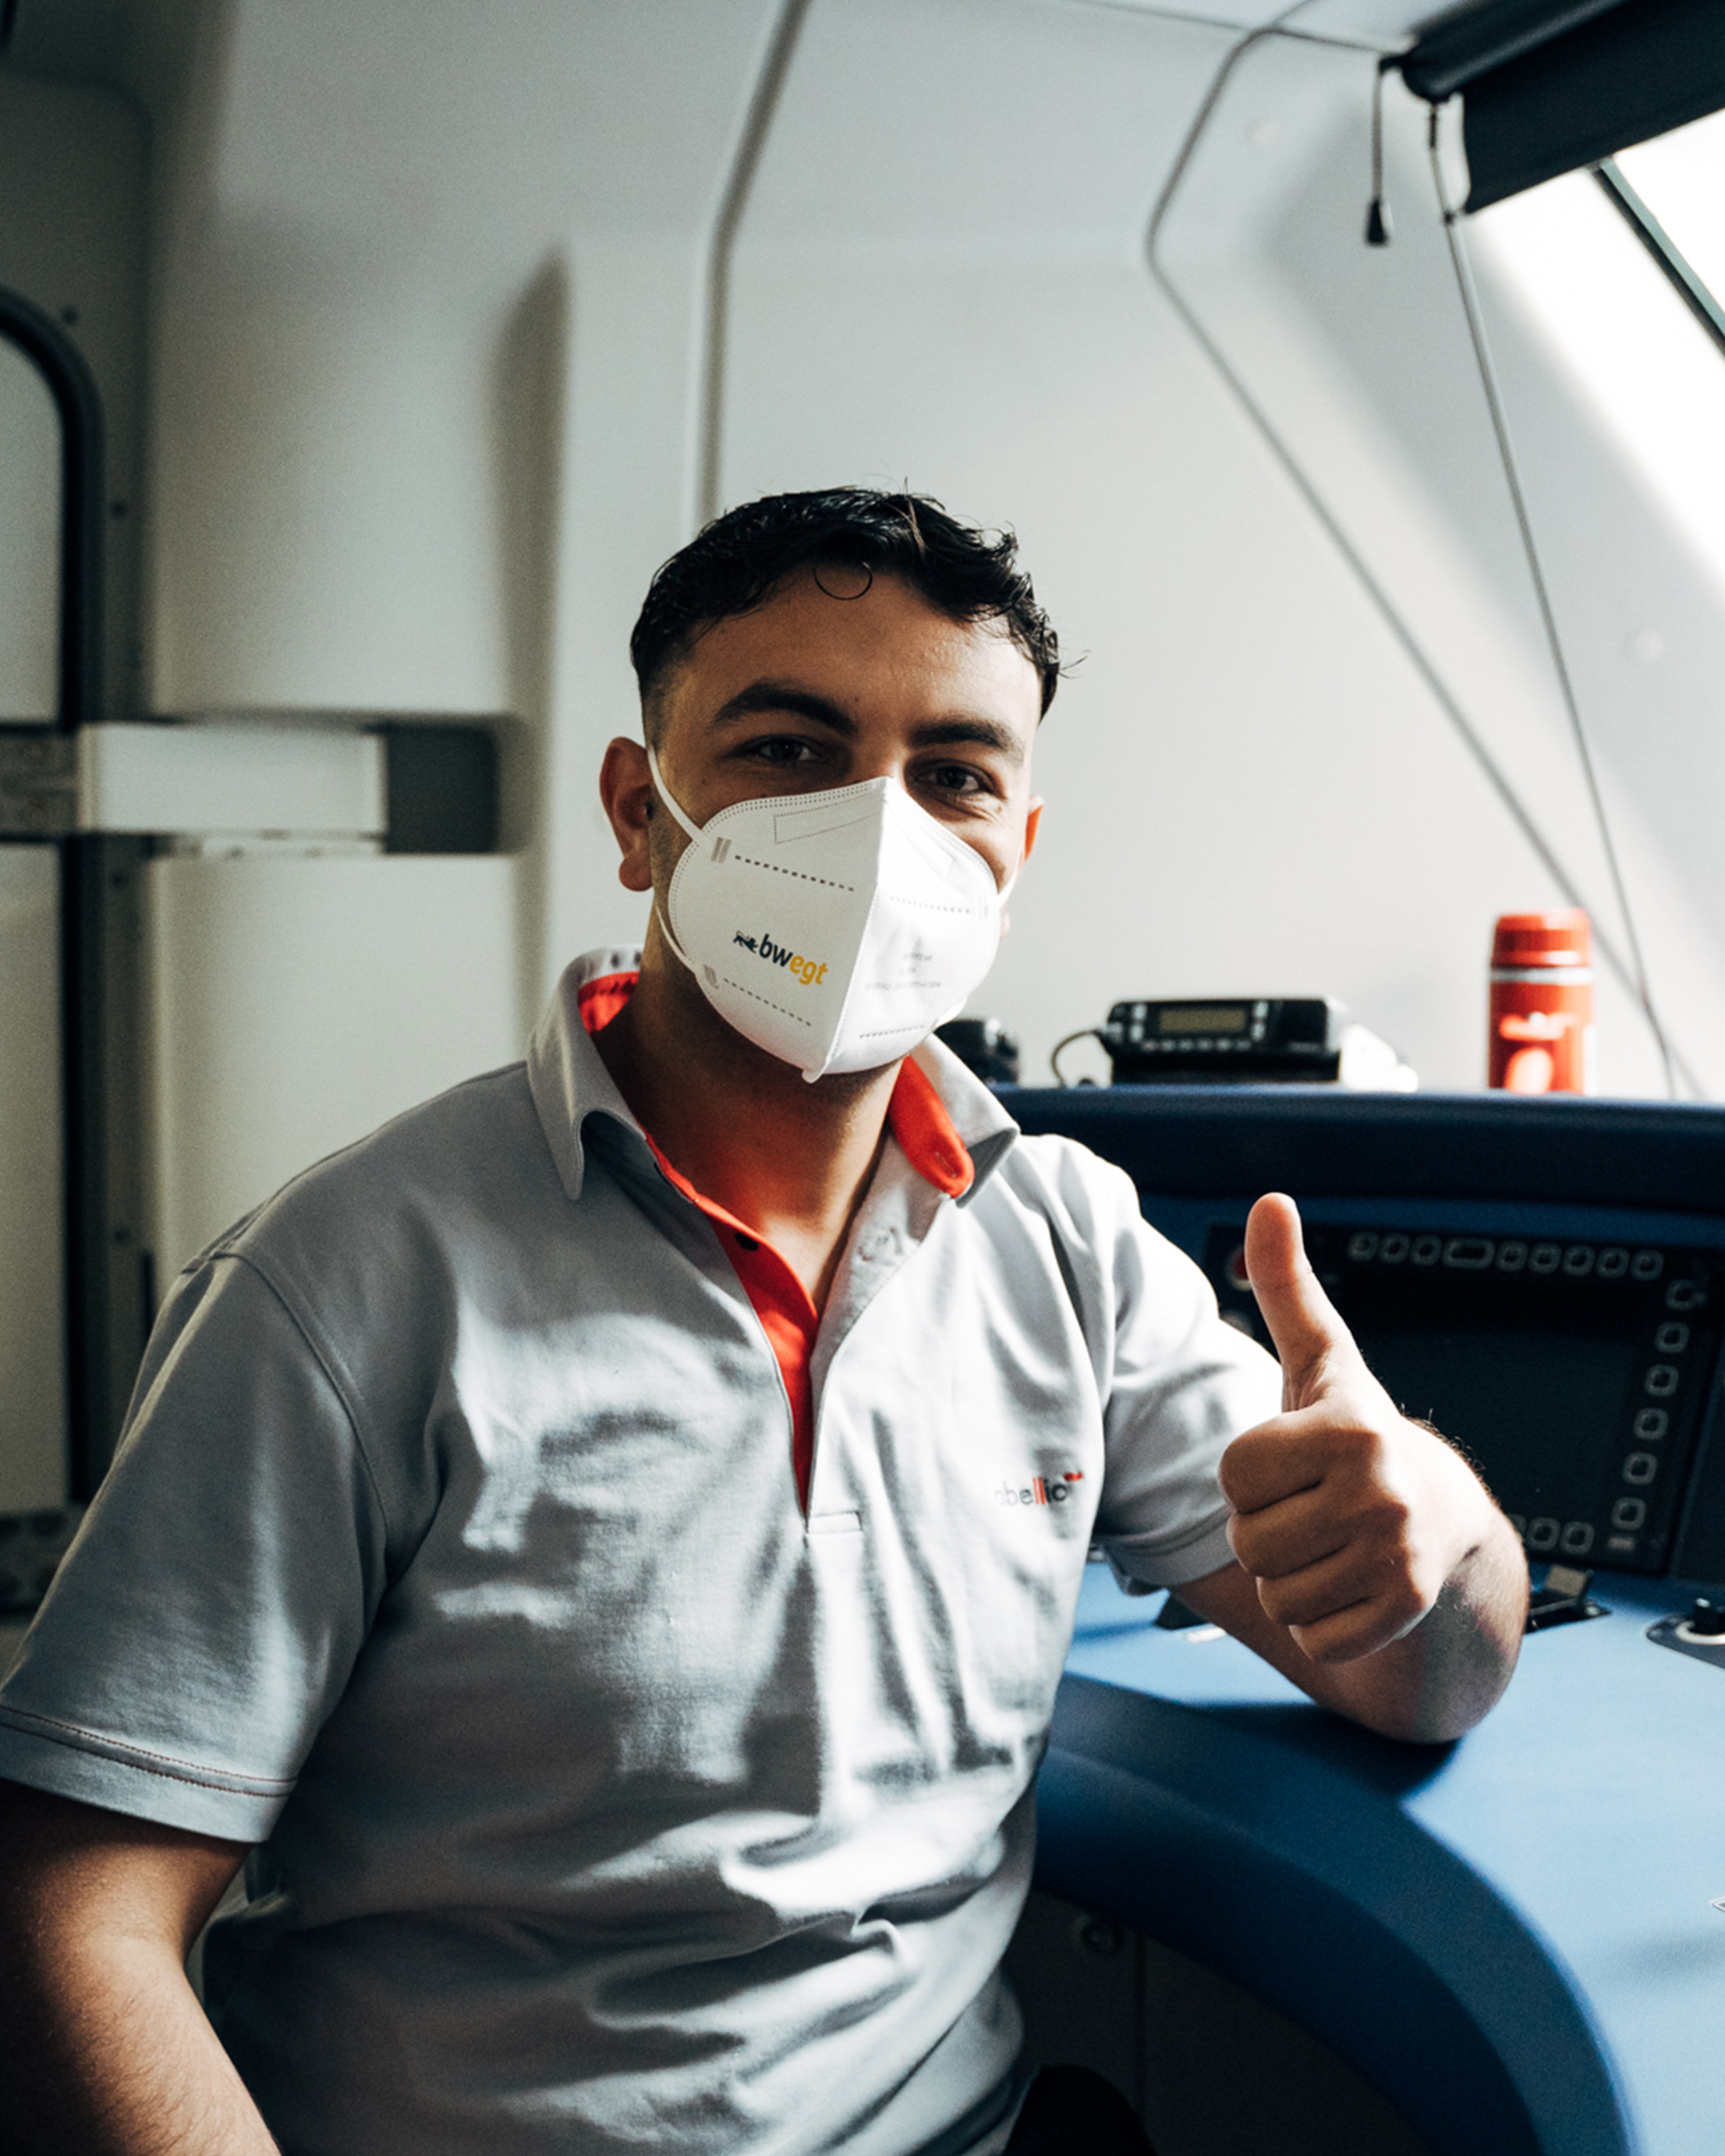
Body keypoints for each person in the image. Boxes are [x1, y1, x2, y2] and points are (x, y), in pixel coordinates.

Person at [0, 489, 1527, 2156]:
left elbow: (1422, 1677)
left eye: (951, 773)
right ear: (636, 815)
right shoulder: (349, 1285)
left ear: (1012, 848)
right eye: (788, 751)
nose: (876, 831)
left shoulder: (1064, 1244)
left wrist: (1433, 1541)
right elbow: (72, 1912)